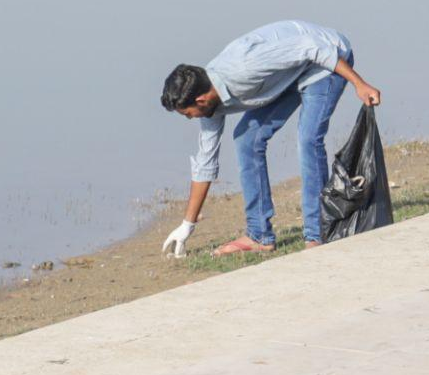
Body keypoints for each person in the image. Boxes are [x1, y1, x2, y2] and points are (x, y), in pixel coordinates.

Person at [159, 21, 381, 257]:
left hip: (325, 61)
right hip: (287, 75)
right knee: (246, 140)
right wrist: (187, 225)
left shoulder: (244, 67)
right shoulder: (209, 105)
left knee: (308, 139)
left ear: (201, 101)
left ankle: (317, 234)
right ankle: (259, 235)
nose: (190, 119)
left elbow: (313, 48)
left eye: (187, 114)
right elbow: (205, 163)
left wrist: (360, 84)